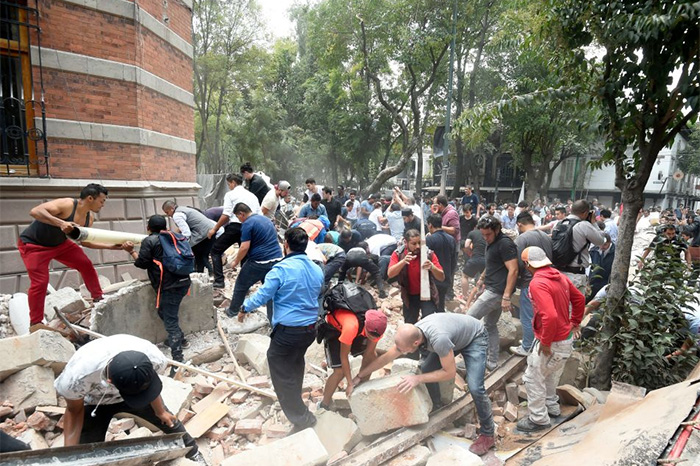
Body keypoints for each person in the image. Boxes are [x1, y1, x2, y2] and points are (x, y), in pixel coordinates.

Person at [353, 314, 496, 456]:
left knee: (475, 387)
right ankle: (436, 406)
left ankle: (488, 434)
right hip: (453, 337)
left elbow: (449, 373)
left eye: (403, 350)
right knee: (427, 368)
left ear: (416, 343)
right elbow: (386, 358)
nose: (400, 352)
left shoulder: (439, 340)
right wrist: (360, 375)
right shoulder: (414, 333)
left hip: (475, 337)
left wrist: (417, 379)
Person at [54, 334, 199, 458]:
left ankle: (192, 452)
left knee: (169, 421)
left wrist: (160, 411)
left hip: (132, 393)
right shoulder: (77, 379)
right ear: (109, 381)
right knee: (86, 449)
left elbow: (150, 388)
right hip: (95, 402)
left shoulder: (155, 358)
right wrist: (69, 454)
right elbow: (74, 411)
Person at [238, 228, 324, 432]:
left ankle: (302, 419)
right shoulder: (316, 269)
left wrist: (244, 308)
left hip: (288, 331)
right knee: (295, 363)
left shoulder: (280, 269)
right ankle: (298, 404)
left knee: (280, 369)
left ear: (285, 245)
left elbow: (263, 295)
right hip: (310, 329)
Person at [18, 183, 119, 329]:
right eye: (102, 201)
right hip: (34, 246)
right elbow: (35, 211)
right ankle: (36, 322)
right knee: (40, 283)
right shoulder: (67, 204)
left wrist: (111, 247)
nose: (103, 205)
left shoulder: (89, 218)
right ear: (90, 198)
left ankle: (98, 298)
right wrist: (61, 223)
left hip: (60, 245)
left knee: (85, 264)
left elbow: (86, 242)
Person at [517, 247, 584, 432]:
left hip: (552, 340)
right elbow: (579, 298)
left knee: (532, 378)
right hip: (565, 339)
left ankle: (538, 419)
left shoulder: (537, 283)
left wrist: (546, 342)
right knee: (549, 375)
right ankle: (552, 407)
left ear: (527, 264)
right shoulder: (559, 276)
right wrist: (575, 322)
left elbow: (550, 316)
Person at [122, 215, 191, 362]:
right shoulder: (175, 237)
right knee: (164, 312)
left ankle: (178, 358)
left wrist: (131, 251)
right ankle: (180, 338)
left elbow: (142, 263)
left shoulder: (150, 240)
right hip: (184, 282)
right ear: (165, 227)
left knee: (170, 320)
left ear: (148, 228)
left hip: (168, 286)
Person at [467, 216, 519, 370]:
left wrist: (506, 297)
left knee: (468, 320)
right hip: (492, 287)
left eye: (488, 234)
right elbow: (492, 263)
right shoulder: (492, 242)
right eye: (483, 234)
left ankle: (470, 357)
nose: (485, 238)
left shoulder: (505, 244)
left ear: (497, 230)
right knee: (489, 325)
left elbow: (513, 270)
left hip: (497, 292)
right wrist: (482, 278)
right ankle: (492, 361)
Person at [319, 308, 387, 409]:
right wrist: (350, 383)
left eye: (375, 337)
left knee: (371, 357)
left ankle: (361, 390)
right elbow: (344, 357)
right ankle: (323, 404)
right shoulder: (351, 327)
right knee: (340, 371)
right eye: (370, 336)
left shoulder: (378, 327)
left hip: (359, 330)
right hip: (335, 330)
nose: (373, 339)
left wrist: (360, 377)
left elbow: (369, 353)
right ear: (366, 325)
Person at [225, 203, 283, 321]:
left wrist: (235, 262)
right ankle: (272, 317)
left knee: (241, 284)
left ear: (241, 214)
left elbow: (244, 247)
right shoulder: (265, 219)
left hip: (259, 261)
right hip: (276, 259)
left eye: (238, 217)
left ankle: (233, 311)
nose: (239, 220)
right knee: (270, 289)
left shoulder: (248, 223)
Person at [207, 173, 261, 289]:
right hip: (251, 226)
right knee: (245, 256)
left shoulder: (230, 195)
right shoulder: (252, 196)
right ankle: (245, 284)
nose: (229, 187)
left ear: (233, 182)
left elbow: (226, 215)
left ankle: (219, 281)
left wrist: (214, 229)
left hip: (235, 227)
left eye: (229, 184)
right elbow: (259, 214)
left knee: (215, 250)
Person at [511, 211, 553, 357]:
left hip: (530, 282)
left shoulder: (522, 239)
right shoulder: (545, 237)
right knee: (540, 315)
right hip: (547, 281)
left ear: (519, 224)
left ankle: (527, 346)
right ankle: (535, 341)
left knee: (528, 316)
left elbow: (517, 264)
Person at [388, 229, 445, 324]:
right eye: (414, 244)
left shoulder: (428, 253)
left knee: (428, 322)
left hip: (427, 295)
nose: (417, 246)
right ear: (406, 242)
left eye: (419, 243)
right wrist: (403, 262)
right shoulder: (398, 254)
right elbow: (390, 274)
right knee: (410, 324)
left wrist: (432, 267)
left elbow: (441, 277)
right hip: (409, 296)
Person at [559, 199, 606, 295]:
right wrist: (594, 223)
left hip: (559, 273)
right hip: (576, 276)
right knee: (575, 303)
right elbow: (601, 241)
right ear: (585, 213)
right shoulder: (583, 225)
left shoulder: (560, 223)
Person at [162, 200, 221, 273]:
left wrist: (182, 244)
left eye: (167, 212)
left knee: (199, 256)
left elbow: (186, 233)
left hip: (203, 234)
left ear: (171, 209)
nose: (168, 215)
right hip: (209, 231)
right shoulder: (183, 209)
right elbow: (181, 228)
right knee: (202, 256)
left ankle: (210, 273)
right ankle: (204, 273)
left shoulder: (177, 215)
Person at [426, 214, 457, 312]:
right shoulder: (451, 239)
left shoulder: (429, 240)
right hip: (446, 277)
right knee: (441, 303)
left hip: (433, 278)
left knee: (431, 305)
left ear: (430, 225)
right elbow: (454, 261)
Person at [461, 227, 487, 299]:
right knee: (484, 279)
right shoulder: (488, 234)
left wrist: (470, 252)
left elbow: (466, 245)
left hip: (475, 258)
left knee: (465, 276)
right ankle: (481, 297)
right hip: (486, 260)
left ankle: (465, 296)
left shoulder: (472, 233)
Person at [588, 233, 615, 300]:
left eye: (605, 244)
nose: (602, 247)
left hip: (607, 283)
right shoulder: (593, 251)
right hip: (594, 283)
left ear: (610, 242)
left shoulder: (615, 252)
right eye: (600, 244)